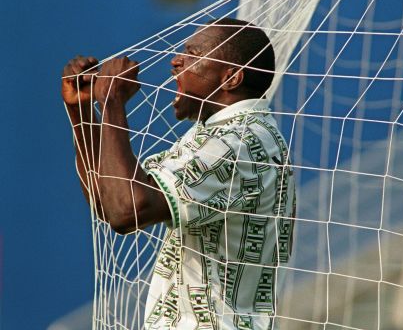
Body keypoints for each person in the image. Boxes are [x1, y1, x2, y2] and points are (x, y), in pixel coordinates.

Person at [62, 18, 296, 330]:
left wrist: (113, 102)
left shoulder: (237, 144)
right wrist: (82, 115)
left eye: (193, 53)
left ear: (231, 78)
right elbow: (109, 198)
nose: (175, 61)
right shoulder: (218, 135)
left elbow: (125, 210)